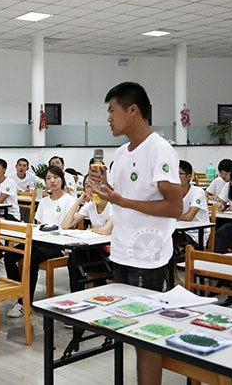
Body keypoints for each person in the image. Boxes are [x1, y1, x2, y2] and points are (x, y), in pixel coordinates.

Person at [89, 81, 182, 385]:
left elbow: (174, 207)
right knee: (130, 330)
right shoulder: (120, 152)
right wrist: (104, 188)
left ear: (133, 110)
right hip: (121, 252)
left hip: (147, 256)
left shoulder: (159, 149)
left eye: (112, 110)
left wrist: (121, 200)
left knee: (146, 336)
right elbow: (117, 198)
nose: (108, 118)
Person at [5, 165, 76, 318]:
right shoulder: (44, 201)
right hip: (39, 240)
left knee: (32, 259)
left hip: (58, 244)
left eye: (56, 177)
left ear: (62, 179)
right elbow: (38, 225)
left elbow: (70, 227)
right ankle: (20, 290)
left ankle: (24, 303)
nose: (52, 181)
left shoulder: (69, 200)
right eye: (49, 178)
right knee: (9, 255)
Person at [61, 176, 113, 292]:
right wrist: (78, 201)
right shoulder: (90, 205)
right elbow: (65, 225)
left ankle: (98, 290)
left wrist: (91, 230)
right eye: (88, 186)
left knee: (82, 258)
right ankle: (76, 295)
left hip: (112, 253)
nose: (91, 189)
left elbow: (106, 230)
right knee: (74, 257)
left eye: (95, 185)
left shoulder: (112, 205)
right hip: (97, 249)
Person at [174, 160, 211, 249]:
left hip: (196, 234)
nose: (176, 177)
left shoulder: (198, 192)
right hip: (179, 230)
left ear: (189, 176)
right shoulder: (172, 192)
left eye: (180, 174)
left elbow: (188, 217)